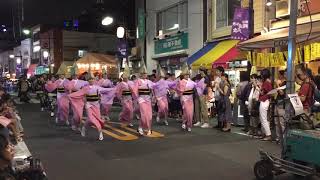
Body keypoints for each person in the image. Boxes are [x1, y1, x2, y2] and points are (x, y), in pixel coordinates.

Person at [69, 75, 114, 141]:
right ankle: (99, 132)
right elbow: (78, 94)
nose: (91, 80)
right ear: (88, 80)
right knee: (91, 118)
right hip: (88, 105)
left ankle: (87, 128)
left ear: (94, 80)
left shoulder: (97, 87)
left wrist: (115, 89)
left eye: (92, 79)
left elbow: (107, 90)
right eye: (90, 79)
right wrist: (70, 95)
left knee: (96, 119)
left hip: (96, 105)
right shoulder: (85, 88)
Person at [133, 63, 156, 136]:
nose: (145, 75)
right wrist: (137, 99)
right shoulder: (138, 81)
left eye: (146, 73)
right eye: (144, 73)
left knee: (149, 115)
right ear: (141, 74)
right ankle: (144, 128)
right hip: (142, 99)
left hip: (148, 100)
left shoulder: (149, 81)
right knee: (143, 114)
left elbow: (154, 87)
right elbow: (134, 90)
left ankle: (143, 128)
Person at [176, 63, 196, 132]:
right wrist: (183, 90)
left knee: (190, 112)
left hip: (190, 98)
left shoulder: (191, 81)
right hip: (184, 98)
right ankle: (184, 122)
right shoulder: (181, 82)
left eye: (188, 75)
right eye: (185, 75)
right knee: (186, 112)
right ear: (183, 75)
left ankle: (189, 125)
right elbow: (179, 90)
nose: (187, 76)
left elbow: (197, 86)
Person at [258, 69, 273, 141]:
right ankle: (265, 133)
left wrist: (258, 87)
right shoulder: (268, 82)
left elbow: (262, 92)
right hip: (266, 101)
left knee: (263, 118)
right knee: (263, 118)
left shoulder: (266, 82)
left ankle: (268, 134)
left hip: (264, 101)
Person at [275, 69, 286, 143]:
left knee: (282, 123)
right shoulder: (282, 83)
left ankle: (284, 139)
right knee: (277, 122)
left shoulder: (287, 83)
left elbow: (282, 93)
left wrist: (277, 84)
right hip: (277, 103)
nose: (278, 76)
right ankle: (278, 137)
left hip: (282, 104)